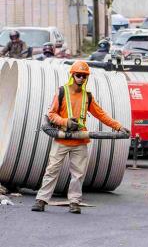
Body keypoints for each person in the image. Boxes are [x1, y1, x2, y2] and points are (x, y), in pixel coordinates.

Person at [31, 61, 128, 214]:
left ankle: (74, 202)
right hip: (62, 139)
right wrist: (65, 122)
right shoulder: (62, 92)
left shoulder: (87, 96)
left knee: (78, 174)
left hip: (80, 140)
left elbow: (101, 114)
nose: (81, 78)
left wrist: (118, 126)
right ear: (72, 75)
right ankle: (41, 200)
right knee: (52, 170)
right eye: (78, 75)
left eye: (84, 76)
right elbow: (51, 114)